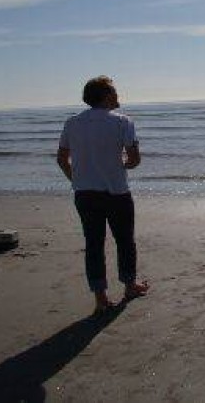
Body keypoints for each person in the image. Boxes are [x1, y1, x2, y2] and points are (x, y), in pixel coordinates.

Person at [57, 76, 149, 314]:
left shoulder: (72, 123)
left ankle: (100, 297)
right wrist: (124, 165)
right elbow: (135, 159)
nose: (118, 97)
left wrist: (76, 179)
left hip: (85, 193)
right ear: (106, 96)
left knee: (94, 244)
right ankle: (129, 285)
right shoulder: (123, 122)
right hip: (116, 191)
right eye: (115, 93)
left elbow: (61, 158)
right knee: (125, 241)